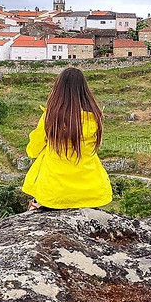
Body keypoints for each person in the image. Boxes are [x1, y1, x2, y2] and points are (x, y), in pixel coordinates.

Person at [22, 67, 112, 210]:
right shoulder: (94, 118)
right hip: (90, 194)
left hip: (55, 194)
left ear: (58, 90)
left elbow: (33, 151)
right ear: (85, 90)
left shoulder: (50, 118)